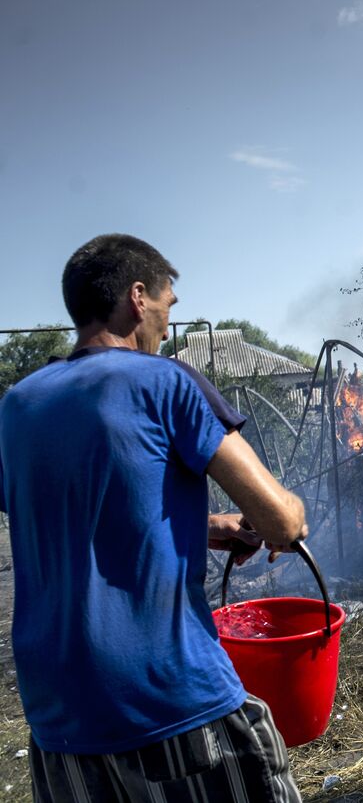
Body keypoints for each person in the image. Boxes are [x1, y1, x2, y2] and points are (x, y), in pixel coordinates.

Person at [0, 234, 308, 801]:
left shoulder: (18, 406)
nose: (168, 327)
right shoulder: (164, 381)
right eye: (168, 307)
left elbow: (67, 513)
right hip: (166, 694)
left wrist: (206, 527)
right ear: (136, 297)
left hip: (58, 713)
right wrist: (289, 512)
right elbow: (279, 521)